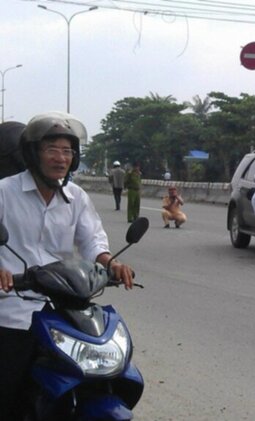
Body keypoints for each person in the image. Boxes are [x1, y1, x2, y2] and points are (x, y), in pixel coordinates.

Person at [0, 112, 135, 421]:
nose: (61, 158)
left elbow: (92, 241)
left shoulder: (75, 197)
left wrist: (109, 262)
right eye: (52, 149)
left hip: (62, 307)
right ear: (33, 153)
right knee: (7, 388)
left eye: (67, 151)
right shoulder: (4, 192)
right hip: (12, 306)